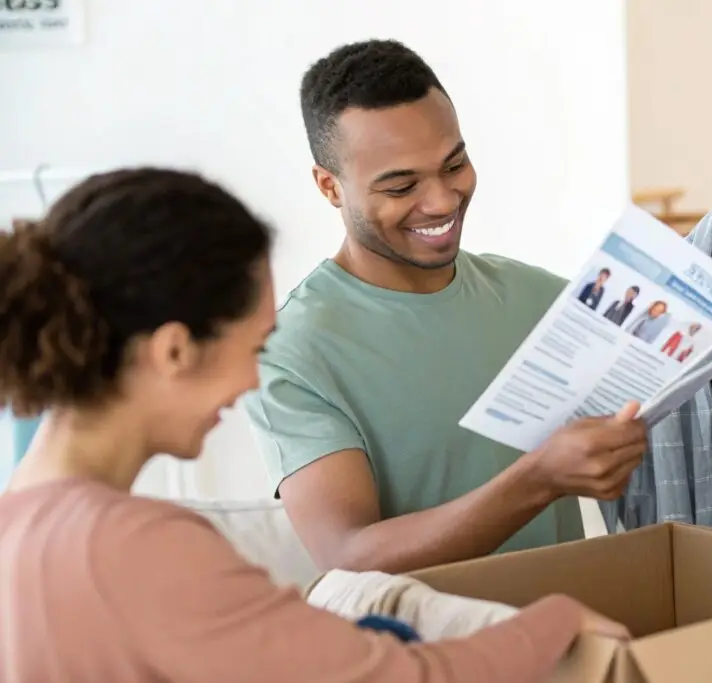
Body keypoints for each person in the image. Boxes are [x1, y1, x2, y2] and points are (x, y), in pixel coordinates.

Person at [0, 168, 629, 683]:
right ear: (173, 352)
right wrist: (555, 621)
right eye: (253, 348)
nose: (253, 382)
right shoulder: (139, 548)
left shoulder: (20, 519)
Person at [244, 39, 712, 575]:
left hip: (578, 638)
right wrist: (539, 479)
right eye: (401, 185)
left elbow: (690, 350)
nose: (442, 200)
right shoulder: (293, 353)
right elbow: (347, 554)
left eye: (455, 164)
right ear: (330, 187)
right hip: (426, 655)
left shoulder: (538, 301)